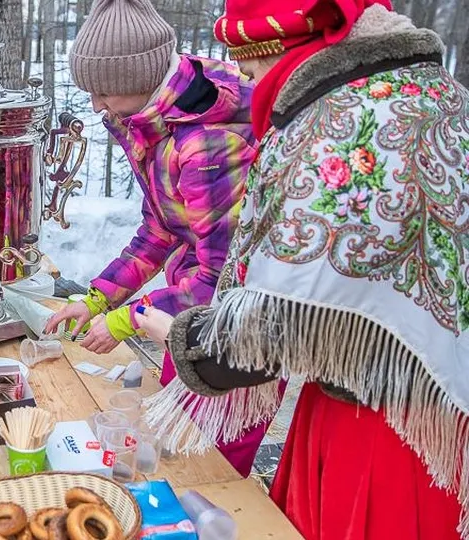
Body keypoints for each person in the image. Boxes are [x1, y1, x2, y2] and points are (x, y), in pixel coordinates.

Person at [135, 1, 469, 538]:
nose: (248, 85)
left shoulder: (331, 126)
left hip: (377, 431)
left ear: (273, 50)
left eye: (248, 70)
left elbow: (270, 331)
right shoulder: (440, 96)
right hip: (446, 416)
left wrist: (181, 334)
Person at [44, 0, 275, 476]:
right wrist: (95, 301)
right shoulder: (155, 124)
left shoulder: (208, 145)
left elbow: (222, 280)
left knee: (206, 472)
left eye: (104, 91)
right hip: (187, 322)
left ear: (139, 78)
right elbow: (159, 229)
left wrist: (129, 319)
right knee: (166, 447)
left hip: (238, 339)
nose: (95, 106)